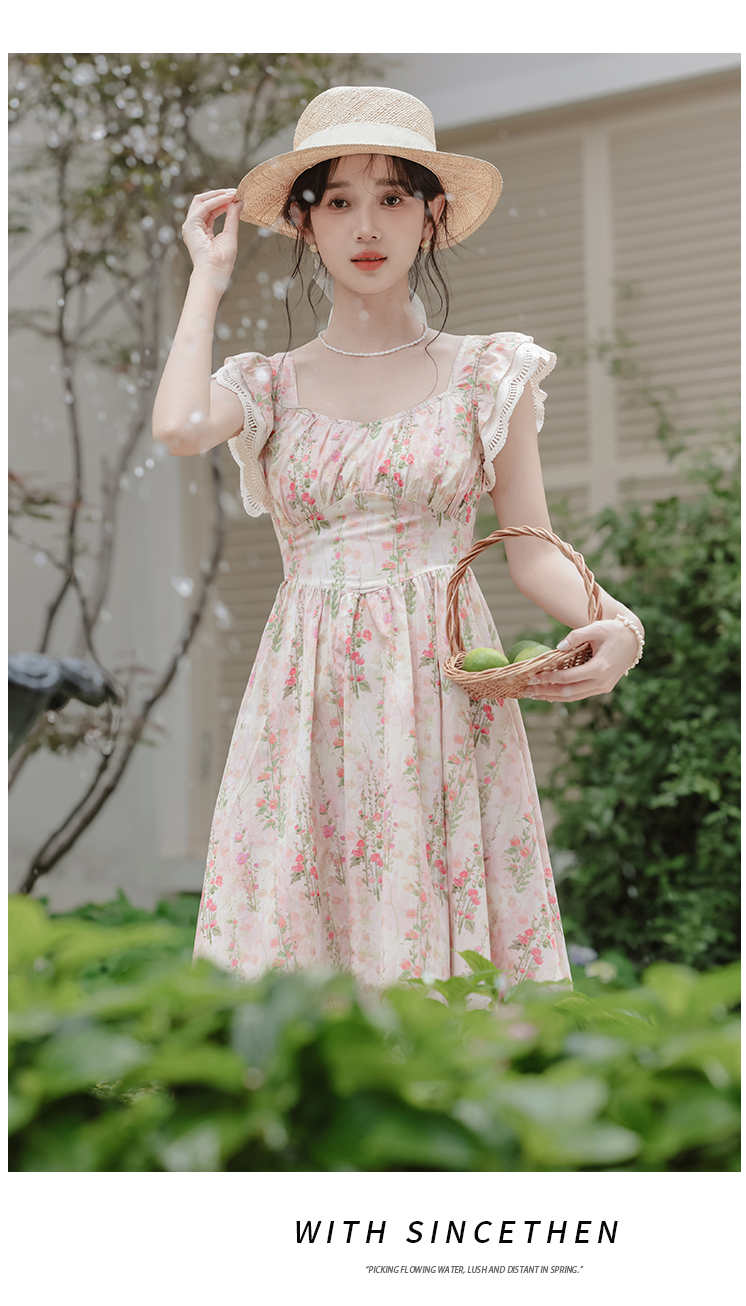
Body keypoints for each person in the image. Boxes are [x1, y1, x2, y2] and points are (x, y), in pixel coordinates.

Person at [152, 86, 644, 992]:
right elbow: (179, 427)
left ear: (432, 215)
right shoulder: (268, 384)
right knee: (299, 943)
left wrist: (617, 623)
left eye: (392, 198)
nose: (367, 226)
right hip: (305, 693)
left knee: (445, 952)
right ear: (305, 225)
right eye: (338, 200)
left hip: (443, 687)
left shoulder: (487, 374)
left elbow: (531, 546)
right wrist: (207, 280)